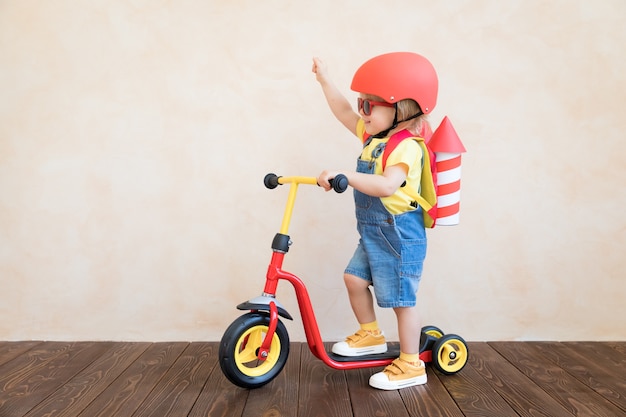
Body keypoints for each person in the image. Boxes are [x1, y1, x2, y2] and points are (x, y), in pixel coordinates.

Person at [312, 52, 438, 390]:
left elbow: (386, 186)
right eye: (361, 104)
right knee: (354, 279)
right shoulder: (374, 139)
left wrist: (346, 176)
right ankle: (371, 334)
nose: (361, 112)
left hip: (398, 232)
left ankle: (412, 364)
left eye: (369, 106)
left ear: (402, 110)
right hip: (374, 231)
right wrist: (324, 78)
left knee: (401, 301)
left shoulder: (406, 147)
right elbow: (342, 111)